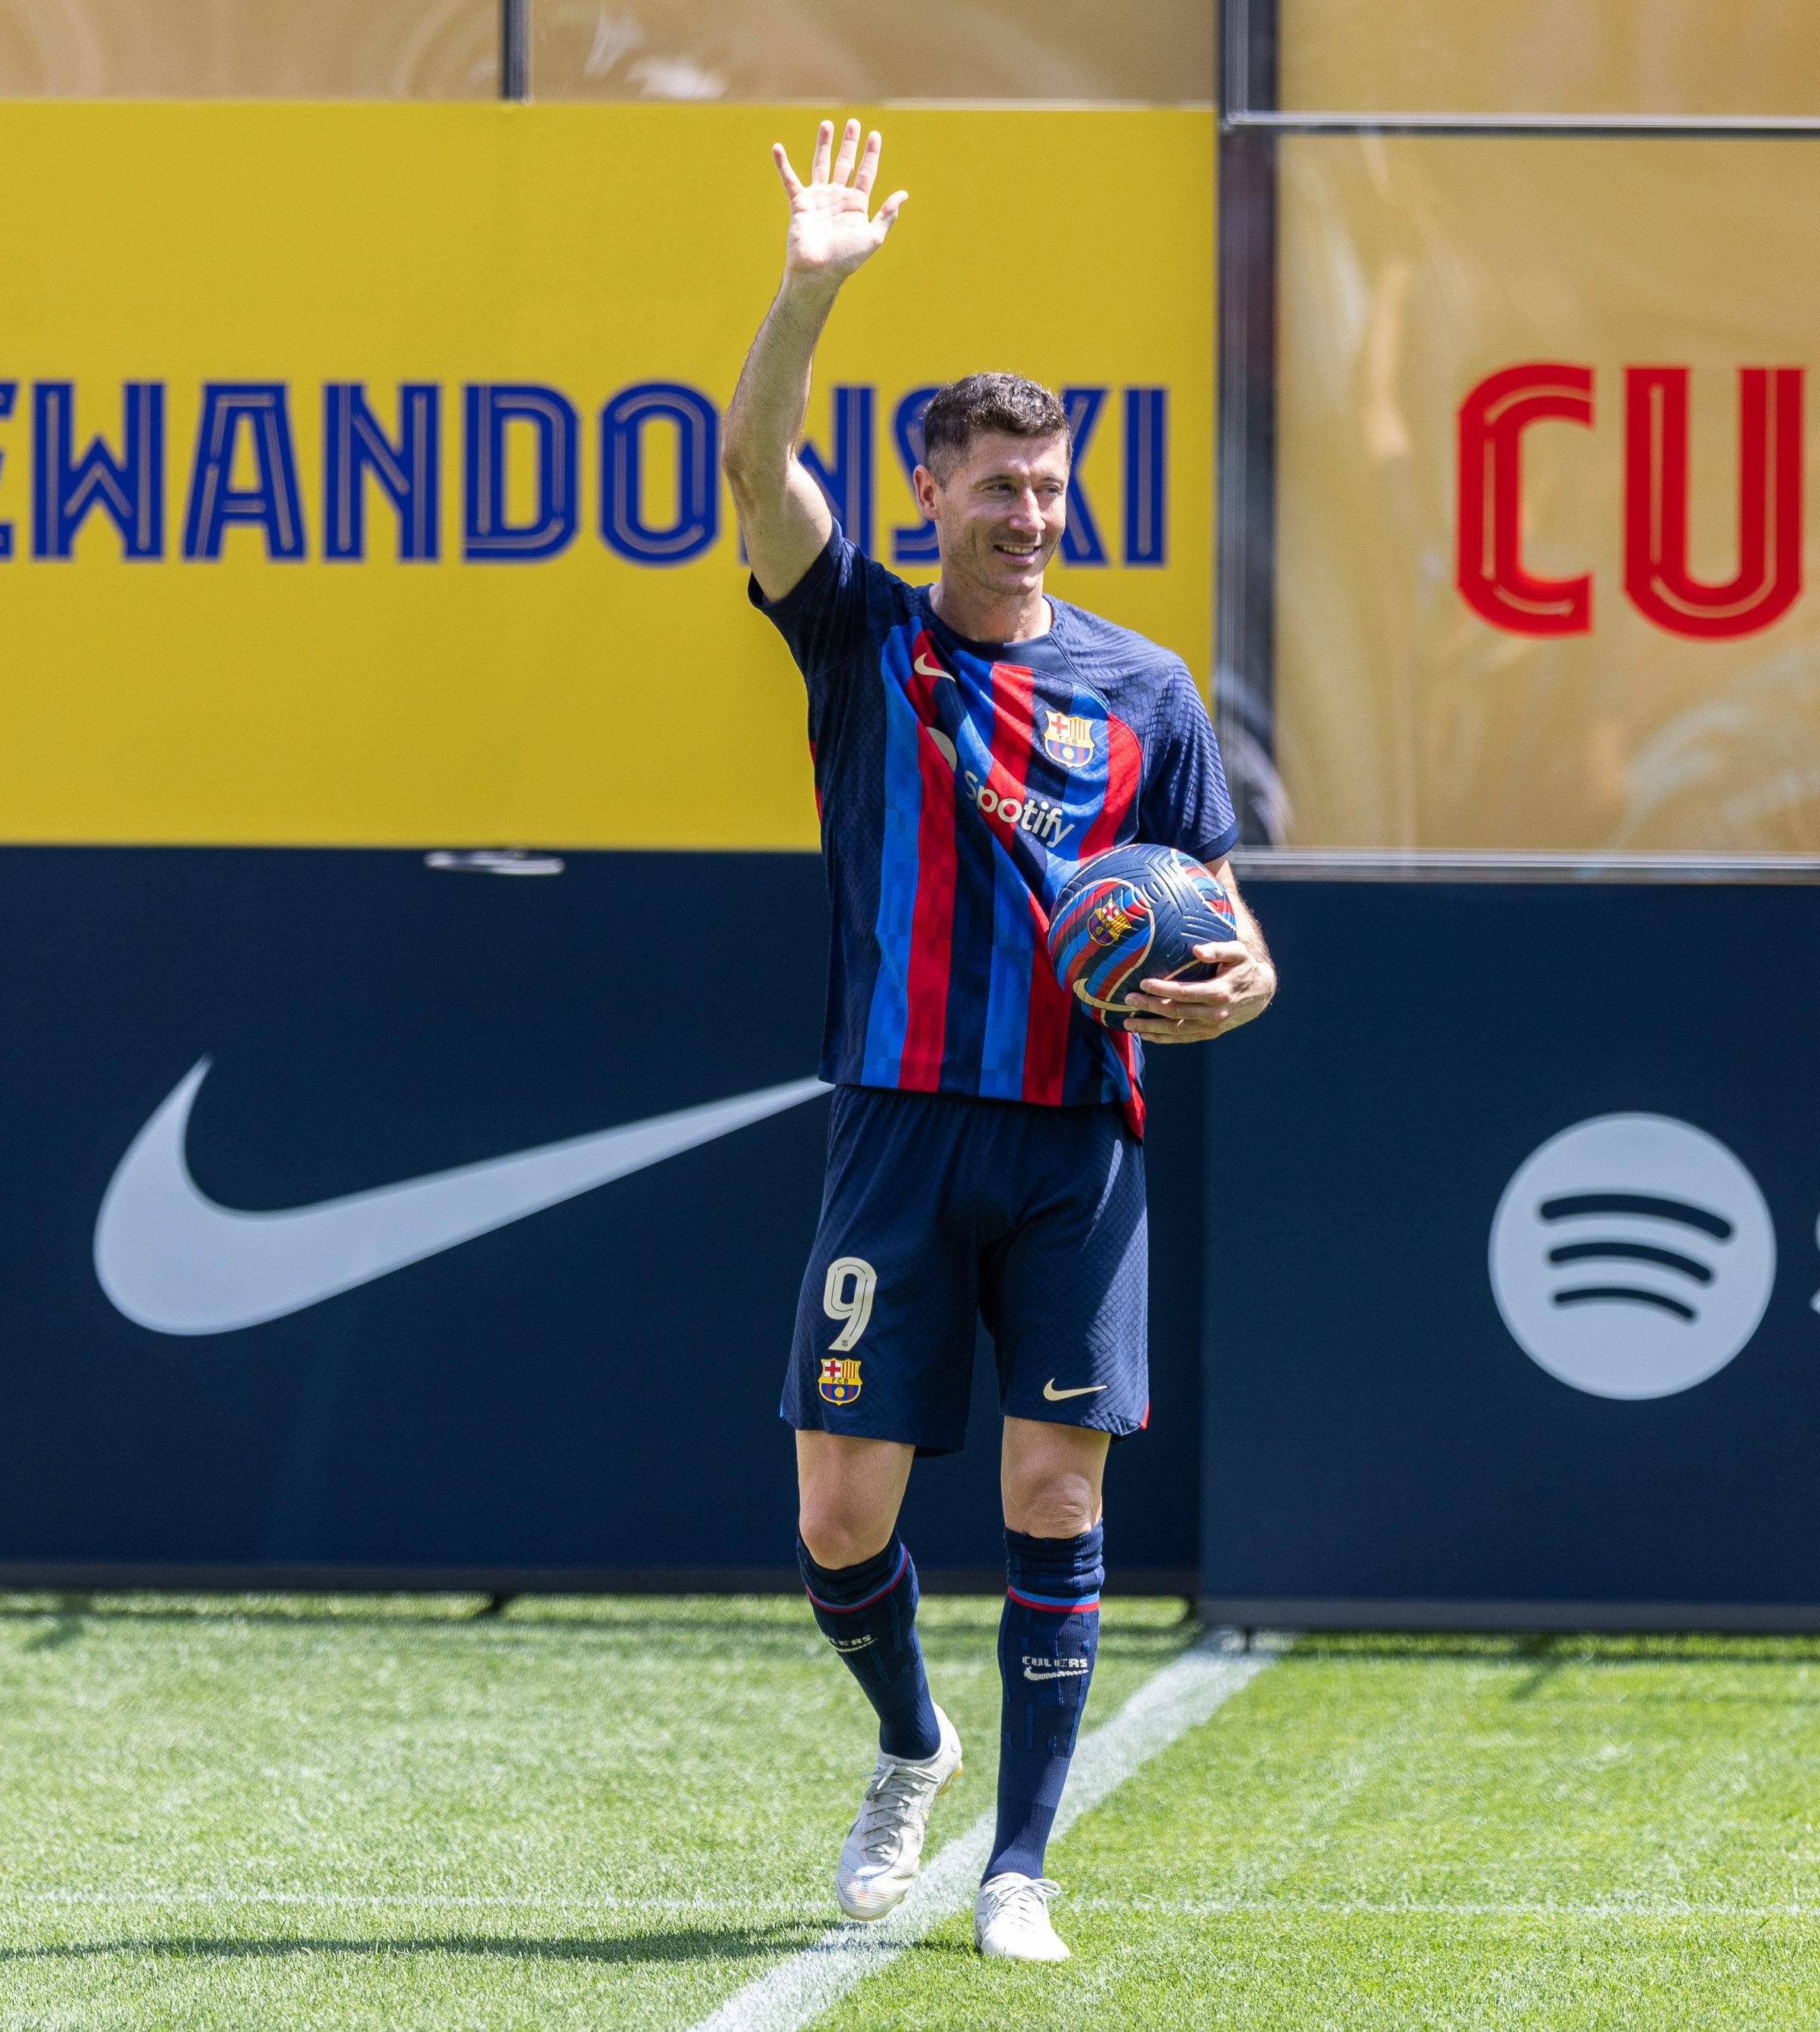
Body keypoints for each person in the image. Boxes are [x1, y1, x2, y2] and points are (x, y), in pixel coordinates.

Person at [721, 117, 1278, 1965]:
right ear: (931, 489)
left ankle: (1019, 1862)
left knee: (1056, 1484)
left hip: (1074, 1138)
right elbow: (749, 457)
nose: (1024, 513)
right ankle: (912, 1739)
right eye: (993, 486)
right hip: (897, 1121)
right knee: (834, 1511)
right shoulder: (862, 638)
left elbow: (1227, 918)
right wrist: (809, 288)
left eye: (1045, 487)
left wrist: (1237, 988)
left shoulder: (1147, 689)